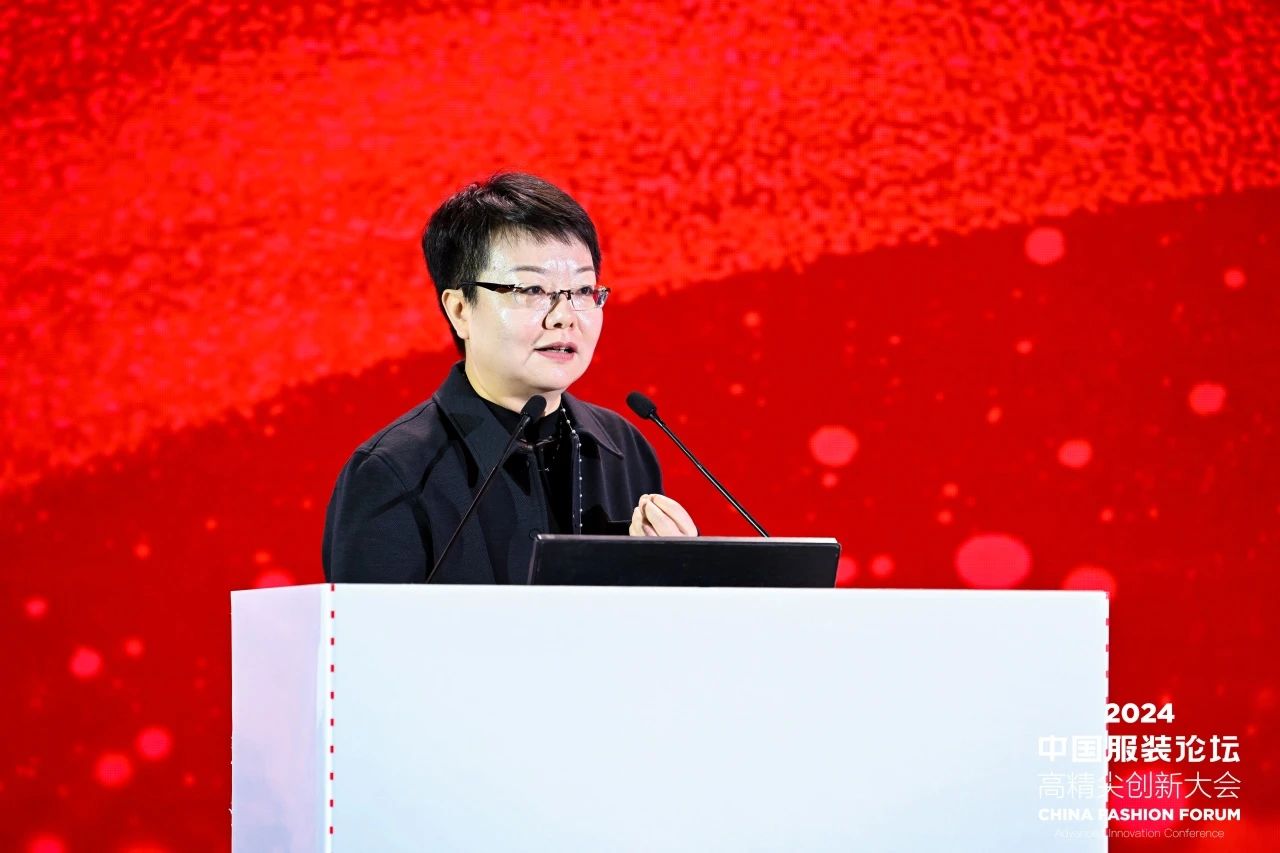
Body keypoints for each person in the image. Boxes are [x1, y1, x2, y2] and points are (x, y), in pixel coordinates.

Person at [322, 172, 697, 583]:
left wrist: (674, 575)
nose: (564, 317)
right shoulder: (394, 471)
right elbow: (373, 626)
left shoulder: (623, 450)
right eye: (531, 290)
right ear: (460, 310)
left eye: (583, 290)